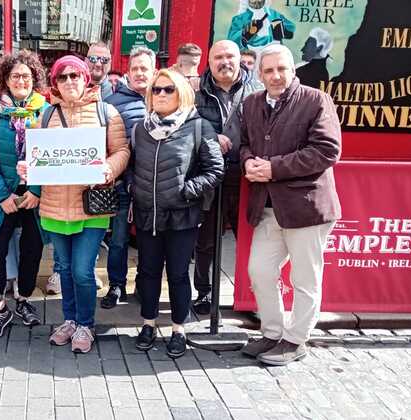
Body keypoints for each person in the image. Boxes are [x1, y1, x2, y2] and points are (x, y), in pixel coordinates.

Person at [239, 44, 341, 366]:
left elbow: (327, 150)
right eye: (268, 71)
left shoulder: (315, 100)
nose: (276, 76)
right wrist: (248, 162)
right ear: (259, 75)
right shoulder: (252, 103)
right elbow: (244, 143)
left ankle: (296, 340)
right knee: (260, 271)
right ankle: (271, 332)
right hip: (267, 207)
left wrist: (273, 168)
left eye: (282, 69)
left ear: (292, 70)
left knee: (305, 278)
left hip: (306, 208)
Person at [25, 55, 129, 354]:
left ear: (86, 78)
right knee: (66, 269)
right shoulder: (45, 116)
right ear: (55, 83)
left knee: (83, 271)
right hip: (56, 207)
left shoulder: (105, 112)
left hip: (91, 206)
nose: (69, 81)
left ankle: (85, 323)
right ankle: (69, 320)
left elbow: (121, 149)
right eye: (62, 76)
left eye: (75, 75)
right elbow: (38, 158)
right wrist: (28, 168)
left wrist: (110, 167)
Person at [131, 69, 223, 358]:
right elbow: (131, 166)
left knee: (178, 274)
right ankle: (148, 324)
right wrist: (135, 186)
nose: (160, 94)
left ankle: (178, 329)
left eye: (168, 89)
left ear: (181, 92)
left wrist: (187, 190)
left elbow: (215, 169)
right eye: (156, 90)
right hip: (148, 213)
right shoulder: (140, 129)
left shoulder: (198, 126)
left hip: (182, 216)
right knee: (147, 272)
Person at [0, 50, 48, 340]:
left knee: (32, 251)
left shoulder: (46, 110)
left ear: (34, 80)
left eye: (26, 76)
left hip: (33, 197)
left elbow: (51, 155)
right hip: (1, 195)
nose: (20, 80)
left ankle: (24, 300)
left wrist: (36, 190)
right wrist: (1, 195)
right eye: (15, 76)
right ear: (6, 79)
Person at [192, 40, 262, 315]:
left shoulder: (256, 90)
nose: (225, 62)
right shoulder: (196, 91)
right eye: (218, 57)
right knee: (206, 240)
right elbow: (188, 124)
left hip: (246, 178)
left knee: (250, 239)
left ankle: (250, 295)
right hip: (209, 176)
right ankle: (203, 292)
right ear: (208, 62)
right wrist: (210, 136)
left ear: (240, 59)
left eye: (230, 56)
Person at [100, 46, 157, 310]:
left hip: (155, 186)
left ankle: (147, 286)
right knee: (119, 239)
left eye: (144, 68)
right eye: (134, 68)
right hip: (123, 184)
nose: (139, 73)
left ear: (153, 70)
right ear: (127, 72)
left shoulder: (166, 97)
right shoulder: (112, 104)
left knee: (151, 241)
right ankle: (116, 285)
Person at [227, 0, 295, 51]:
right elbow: (231, 41)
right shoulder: (240, 18)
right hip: (251, 55)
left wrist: (284, 31)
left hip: (275, 52)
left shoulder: (273, 14)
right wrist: (245, 34)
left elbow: (291, 27)